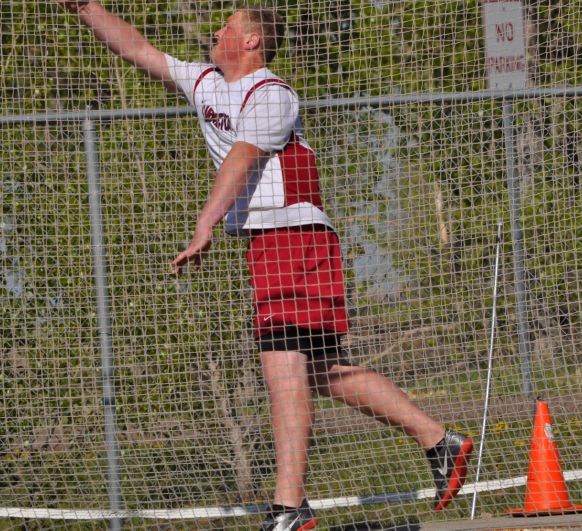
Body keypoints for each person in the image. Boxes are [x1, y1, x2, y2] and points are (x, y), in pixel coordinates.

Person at [57, 2, 473, 529]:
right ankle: (438, 439)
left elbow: (242, 157)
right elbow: (137, 49)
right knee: (318, 371)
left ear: (252, 41)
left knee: (282, 370)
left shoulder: (272, 93)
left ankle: (288, 508)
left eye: (227, 25)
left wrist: (205, 222)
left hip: (291, 235)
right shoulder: (206, 83)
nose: (216, 30)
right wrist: (85, 8)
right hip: (270, 242)